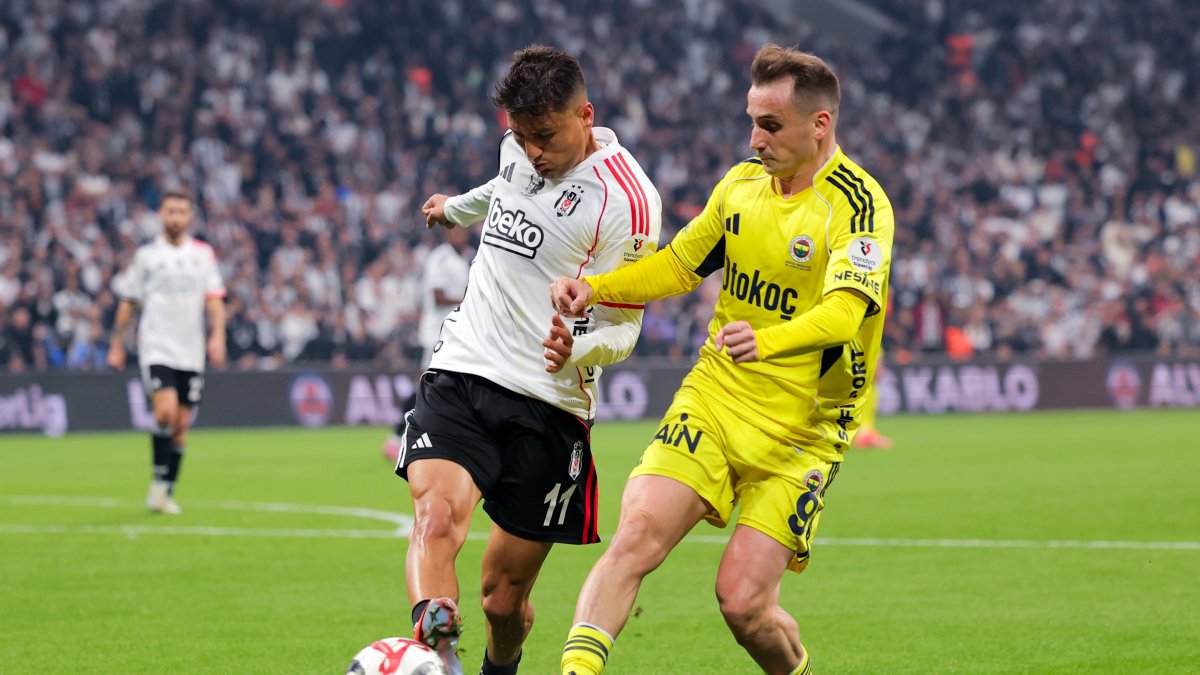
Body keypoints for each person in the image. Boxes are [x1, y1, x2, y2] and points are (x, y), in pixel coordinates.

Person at [552, 44, 893, 675]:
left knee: (744, 606)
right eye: (751, 121)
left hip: (802, 430)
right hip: (716, 394)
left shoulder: (858, 206)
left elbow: (847, 314)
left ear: (819, 125)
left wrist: (770, 339)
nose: (755, 138)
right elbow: (680, 265)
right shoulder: (739, 187)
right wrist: (596, 287)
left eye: (770, 125)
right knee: (636, 537)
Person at [395, 45, 662, 675]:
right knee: (435, 520)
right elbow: (505, 189)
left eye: (544, 136)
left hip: (549, 401)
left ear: (585, 114)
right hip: (464, 366)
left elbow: (626, 330)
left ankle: (497, 665)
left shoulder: (628, 201)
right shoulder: (518, 148)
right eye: (519, 135)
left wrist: (581, 347)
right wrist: (453, 208)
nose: (531, 151)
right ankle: (437, 654)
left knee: (501, 599)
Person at [108, 189, 227, 515]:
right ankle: (159, 487)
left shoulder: (203, 254)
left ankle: (164, 490)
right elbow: (129, 301)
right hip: (157, 345)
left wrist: (218, 336)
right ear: (161, 214)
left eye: (182, 212)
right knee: (165, 413)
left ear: (190, 217)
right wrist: (117, 343)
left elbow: (214, 299)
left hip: (192, 349)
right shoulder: (147, 256)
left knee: (182, 426)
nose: (176, 217)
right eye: (171, 211)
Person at [384, 225, 472, 461]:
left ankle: (442, 437)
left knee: (450, 386)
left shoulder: (462, 257)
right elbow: (438, 295)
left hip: (455, 332)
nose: (461, 234)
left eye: (463, 231)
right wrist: (471, 299)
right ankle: (396, 436)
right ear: (447, 233)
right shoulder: (440, 258)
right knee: (425, 386)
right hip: (436, 332)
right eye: (456, 231)